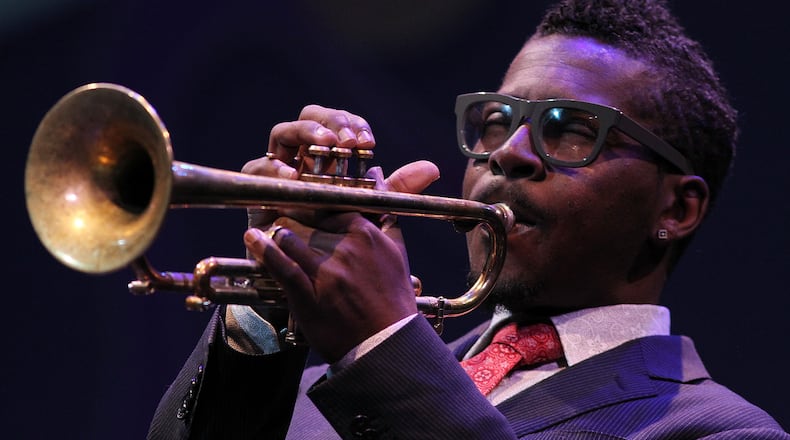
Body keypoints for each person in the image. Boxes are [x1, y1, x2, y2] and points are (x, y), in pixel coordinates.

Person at [147, 0, 789, 438]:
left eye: (570, 132)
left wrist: (381, 340)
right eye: (496, 121)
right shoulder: (320, 390)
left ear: (676, 208)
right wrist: (273, 296)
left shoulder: (719, 428)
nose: (508, 152)